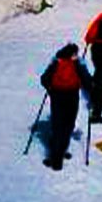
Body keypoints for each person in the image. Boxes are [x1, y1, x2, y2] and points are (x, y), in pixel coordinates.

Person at [39, 43, 92, 171]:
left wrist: (50, 89)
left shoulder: (56, 61)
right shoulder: (77, 63)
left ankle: (56, 155)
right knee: (68, 124)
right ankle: (59, 156)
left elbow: (44, 79)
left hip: (57, 95)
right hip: (72, 95)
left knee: (58, 125)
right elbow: (86, 80)